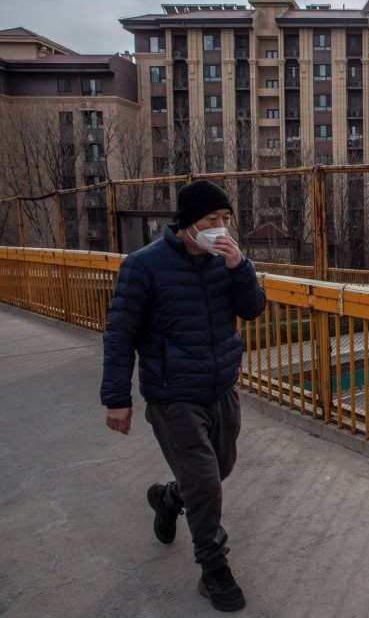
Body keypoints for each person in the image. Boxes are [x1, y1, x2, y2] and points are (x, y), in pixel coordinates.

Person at [100, 180, 266, 612]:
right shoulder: (143, 266)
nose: (221, 228)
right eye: (212, 220)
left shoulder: (225, 260)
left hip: (220, 387)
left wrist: (241, 268)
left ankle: (168, 497)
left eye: (227, 220)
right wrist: (116, 398)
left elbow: (252, 308)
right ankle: (214, 570)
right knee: (206, 482)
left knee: (220, 468)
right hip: (173, 395)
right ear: (187, 223)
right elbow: (120, 335)